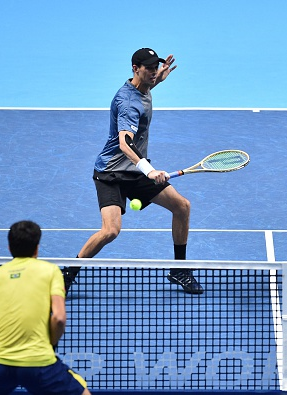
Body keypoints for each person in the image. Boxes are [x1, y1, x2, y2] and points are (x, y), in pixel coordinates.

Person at [61, 48, 202, 295]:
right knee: (111, 231)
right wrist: (148, 169)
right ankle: (68, 274)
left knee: (182, 206)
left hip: (134, 170)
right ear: (135, 69)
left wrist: (159, 78)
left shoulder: (144, 85)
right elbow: (125, 143)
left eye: (155, 67)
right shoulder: (127, 104)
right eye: (149, 68)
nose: (154, 72)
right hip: (111, 173)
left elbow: (147, 87)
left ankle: (180, 269)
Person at [0, 220, 91, 395]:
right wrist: (48, 344)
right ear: (37, 248)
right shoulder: (50, 272)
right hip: (39, 363)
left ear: (9, 247)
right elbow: (59, 318)